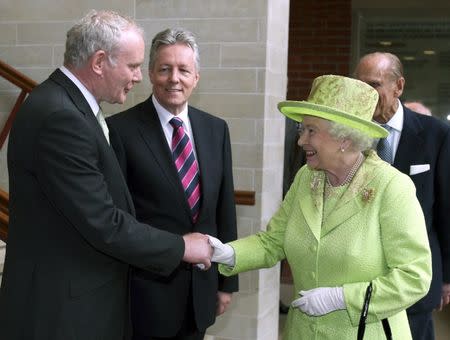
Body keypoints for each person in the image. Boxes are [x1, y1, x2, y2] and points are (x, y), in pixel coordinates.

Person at [0, 11, 212, 340]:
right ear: (100, 61)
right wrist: (181, 247)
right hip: (63, 313)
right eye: (133, 66)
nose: (140, 77)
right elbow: (103, 222)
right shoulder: (61, 116)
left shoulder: (70, 106)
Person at [209, 75, 432, 339]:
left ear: (344, 139)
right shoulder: (306, 177)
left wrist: (341, 298)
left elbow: (415, 276)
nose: (301, 140)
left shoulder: (391, 186)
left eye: (310, 131)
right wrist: (228, 253)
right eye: (301, 129)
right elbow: (273, 241)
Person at [106, 27, 238, 340]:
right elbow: (118, 218)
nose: (174, 78)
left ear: (197, 77)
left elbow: (224, 209)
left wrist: (226, 282)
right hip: (145, 295)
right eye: (165, 69)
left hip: (201, 293)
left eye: (183, 70)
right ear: (150, 73)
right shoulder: (120, 131)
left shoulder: (216, 130)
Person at [354, 52, 450, 340]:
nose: (365, 94)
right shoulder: (347, 133)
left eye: (374, 85)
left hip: (414, 280)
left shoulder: (436, 134)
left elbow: (446, 210)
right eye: (359, 85)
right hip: (360, 278)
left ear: (399, 86)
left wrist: (447, 277)